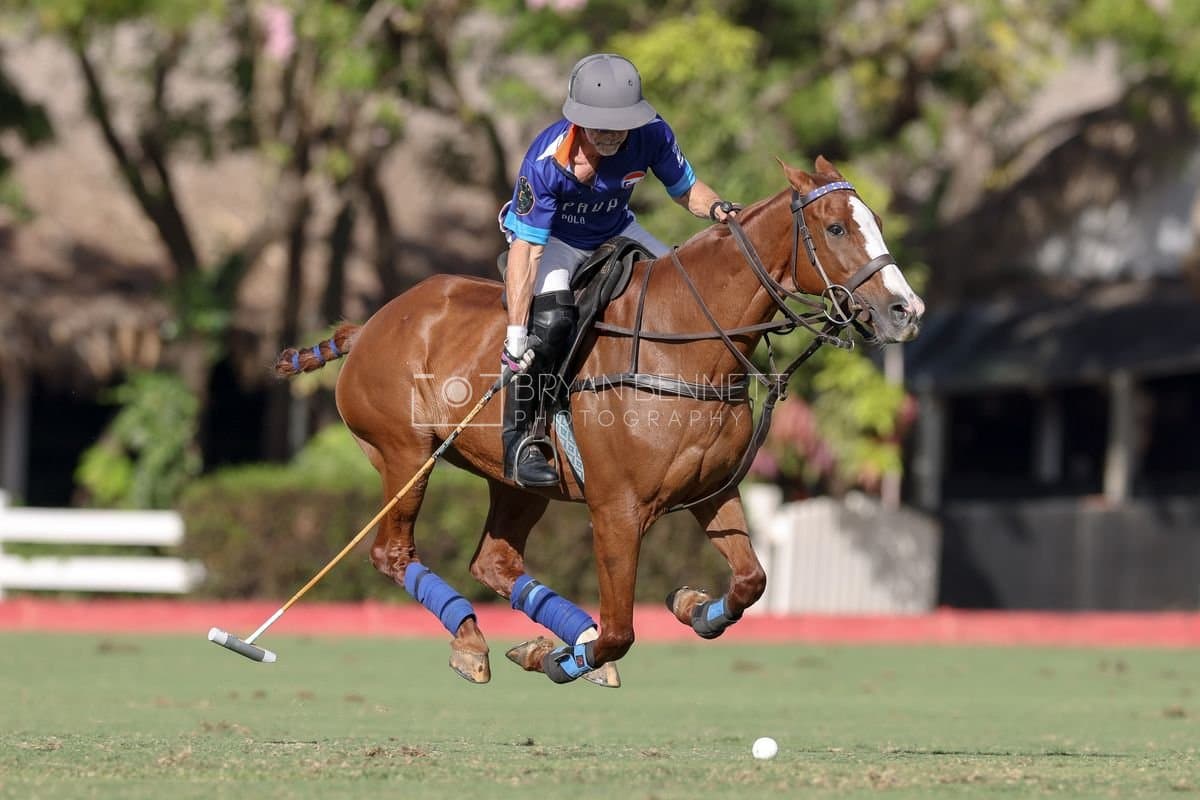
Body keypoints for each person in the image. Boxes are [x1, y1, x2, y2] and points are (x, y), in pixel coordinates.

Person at [498, 52, 738, 487]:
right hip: (555, 241)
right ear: (578, 119)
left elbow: (686, 191)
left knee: (685, 292)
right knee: (552, 325)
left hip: (618, 229)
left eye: (619, 125)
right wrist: (516, 338)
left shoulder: (653, 134)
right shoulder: (546, 160)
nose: (609, 136)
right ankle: (519, 443)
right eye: (598, 126)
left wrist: (719, 208)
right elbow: (527, 251)